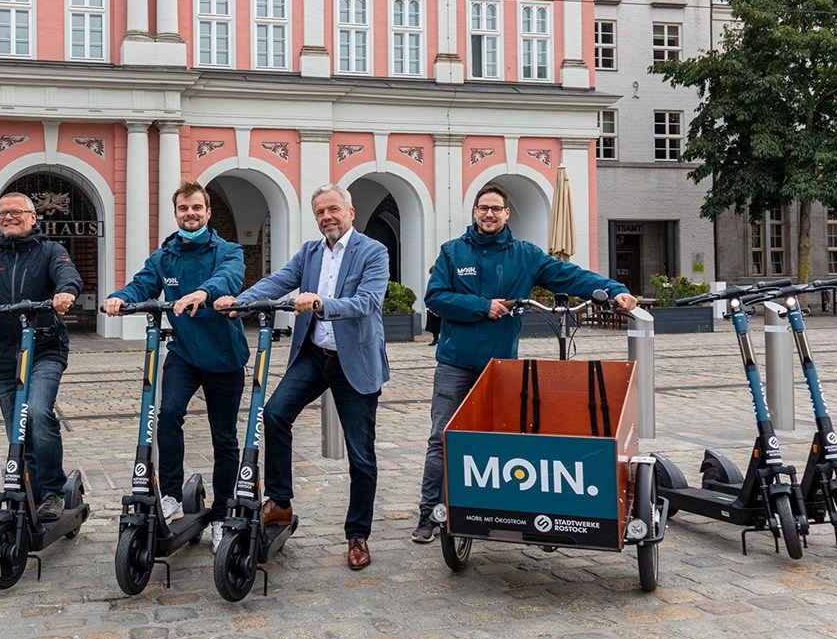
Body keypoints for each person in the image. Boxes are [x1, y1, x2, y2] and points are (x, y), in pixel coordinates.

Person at [411, 183, 638, 543]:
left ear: (506, 214)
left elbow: (572, 276)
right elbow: (435, 297)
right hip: (454, 363)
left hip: (501, 367)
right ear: (474, 212)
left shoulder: (525, 256)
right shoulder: (452, 252)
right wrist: (482, 307)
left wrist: (613, 290)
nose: (489, 214)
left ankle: (491, 507)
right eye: (483, 208)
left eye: (496, 209)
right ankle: (429, 513)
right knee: (443, 437)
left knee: (500, 440)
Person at [213, 184, 389, 571]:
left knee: (361, 455)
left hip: (354, 360)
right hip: (313, 354)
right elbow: (278, 281)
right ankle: (280, 501)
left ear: (350, 212)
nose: (327, 216)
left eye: (333, 209)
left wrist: (322, 302)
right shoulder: (309, 252)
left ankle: (357, 534)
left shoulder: (373, 251)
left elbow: (369, 302)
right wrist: (240, 303)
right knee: (275, 414)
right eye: (320, 212)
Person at [102, 180, 249, 553]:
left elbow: (229, 277)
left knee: (225, 437)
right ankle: (170, 495)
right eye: (184, 209)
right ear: (176, 213)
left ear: (208, 212)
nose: (190, 214)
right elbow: (142, 285)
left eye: (196, 208)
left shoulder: (227, 250)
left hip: (224, 357)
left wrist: (203, 292)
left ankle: (221, 514)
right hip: (183, 352)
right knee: (167, 414)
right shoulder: (164, 255)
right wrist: (118, 299)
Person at [0, 192, 84, 521]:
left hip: (44, 347)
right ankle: (29, 488)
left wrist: (65, 293)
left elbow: (69, 276)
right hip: (5, 355)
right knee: (18, 428)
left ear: (32, 217)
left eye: (16, 211)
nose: (8, 217)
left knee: (40, 414)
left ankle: (53, 491)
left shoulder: (50, 251)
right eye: (2, 213)